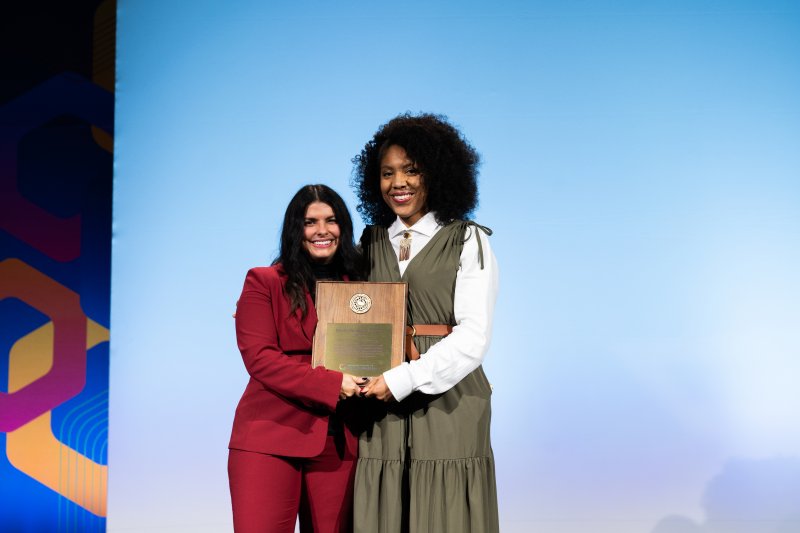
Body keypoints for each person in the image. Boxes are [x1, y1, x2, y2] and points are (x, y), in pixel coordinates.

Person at [352, 113, 500, 532]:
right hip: (378, 407)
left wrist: (402, 379)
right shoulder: (368, 243)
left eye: (411, 170)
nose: (398, 182)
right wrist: (272, 302)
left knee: (443, 516)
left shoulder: (467, 239)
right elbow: (334, 306)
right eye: (387, 173)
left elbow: (473, 337)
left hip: (449, 401)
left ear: (437, 173)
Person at [228, 184, 367, 533]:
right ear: (295, 229)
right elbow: (261, 359)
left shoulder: (363, 286)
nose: (322, 230)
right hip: (269, 439)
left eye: (331, 220)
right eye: (310, 222)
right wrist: (333, 383)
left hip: (340, 442)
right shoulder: (263, 282)